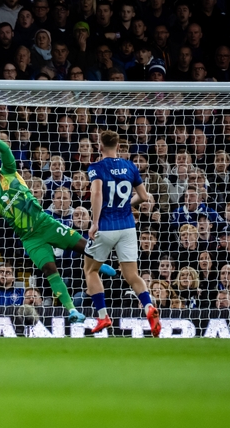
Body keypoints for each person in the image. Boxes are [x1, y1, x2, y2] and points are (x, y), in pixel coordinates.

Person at [0, 131, 115, 324]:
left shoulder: (8, 171)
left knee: (82, 246)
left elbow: (5, 149)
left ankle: (100, 263)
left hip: (44, 222)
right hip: (30, 239)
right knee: (50, 271)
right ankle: (72, 310)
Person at [83, 130, 161, 335]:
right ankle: (148, 306)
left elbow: (97, 193)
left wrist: (95, 222)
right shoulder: (130, 166)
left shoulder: (96, 167)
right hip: (128, 227)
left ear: (99, 145)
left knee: (90, 270)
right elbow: (144, 196)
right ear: (118, 146)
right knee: (132, 275)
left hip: (107, 226)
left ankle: (102, 317)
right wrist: (126, 204)